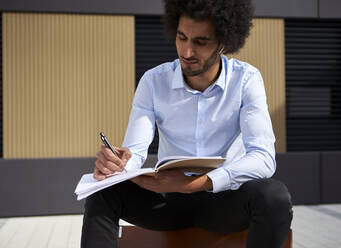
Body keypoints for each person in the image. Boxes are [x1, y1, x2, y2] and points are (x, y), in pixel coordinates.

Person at [81, 0, 293, 247]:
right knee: (102, 192)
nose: (187, 51)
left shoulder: (246, 80)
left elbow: (264, 158)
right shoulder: (153, 82)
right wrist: (118, 164)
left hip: (225, 200)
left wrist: (198, 184)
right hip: (169, 202)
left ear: (224, 43)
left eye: (200, 42)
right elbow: (135, 151)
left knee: (273, 196)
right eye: (182, 38)